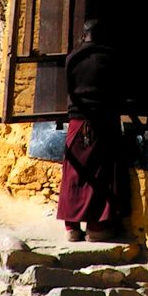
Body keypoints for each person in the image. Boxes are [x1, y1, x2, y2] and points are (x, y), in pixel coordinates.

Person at [56, 19, 130, 242]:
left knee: (73, 173)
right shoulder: (111, 58)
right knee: (102, 172)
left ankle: (72, 228)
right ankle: (96, 228)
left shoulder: (72, 58)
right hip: (102, 122)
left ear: (84, 35)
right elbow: (120, 91)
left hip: (77, 122)